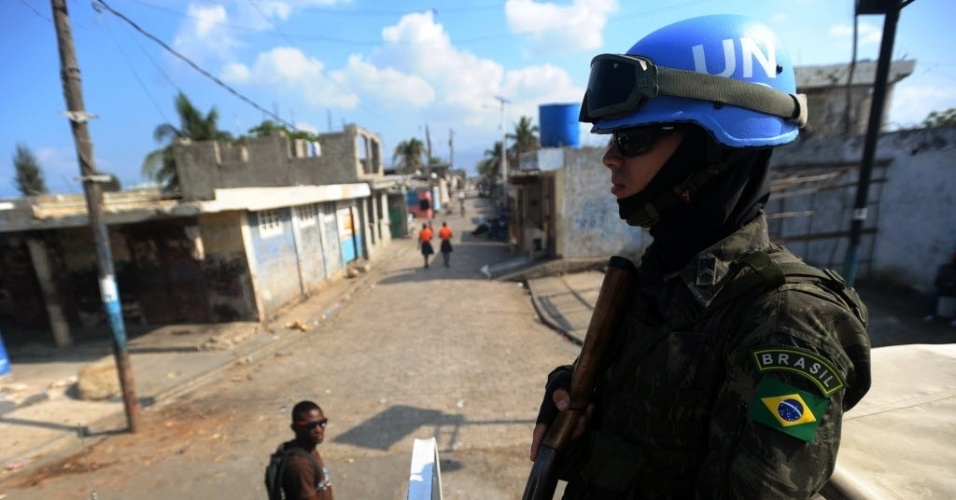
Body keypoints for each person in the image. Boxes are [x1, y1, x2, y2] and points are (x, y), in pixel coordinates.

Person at [530, 14, 872, 499]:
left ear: (713, 147)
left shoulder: (789, 321)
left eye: (634, 138)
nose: (611, 157)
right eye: (612, 139)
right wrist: (577, 392)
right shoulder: (665, 274)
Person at [281, 400, 333, 500]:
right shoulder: (299, 465)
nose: (318, 430)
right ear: (295, 428)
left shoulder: (310, 449)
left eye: (322, 423)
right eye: (311, 426)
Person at [924, 251, 956, 326]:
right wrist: (948, 284)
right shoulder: (945, 267)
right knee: (934, 291)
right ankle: (930, 314)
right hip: (944, 288)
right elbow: (938, 280)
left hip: (954, 289)